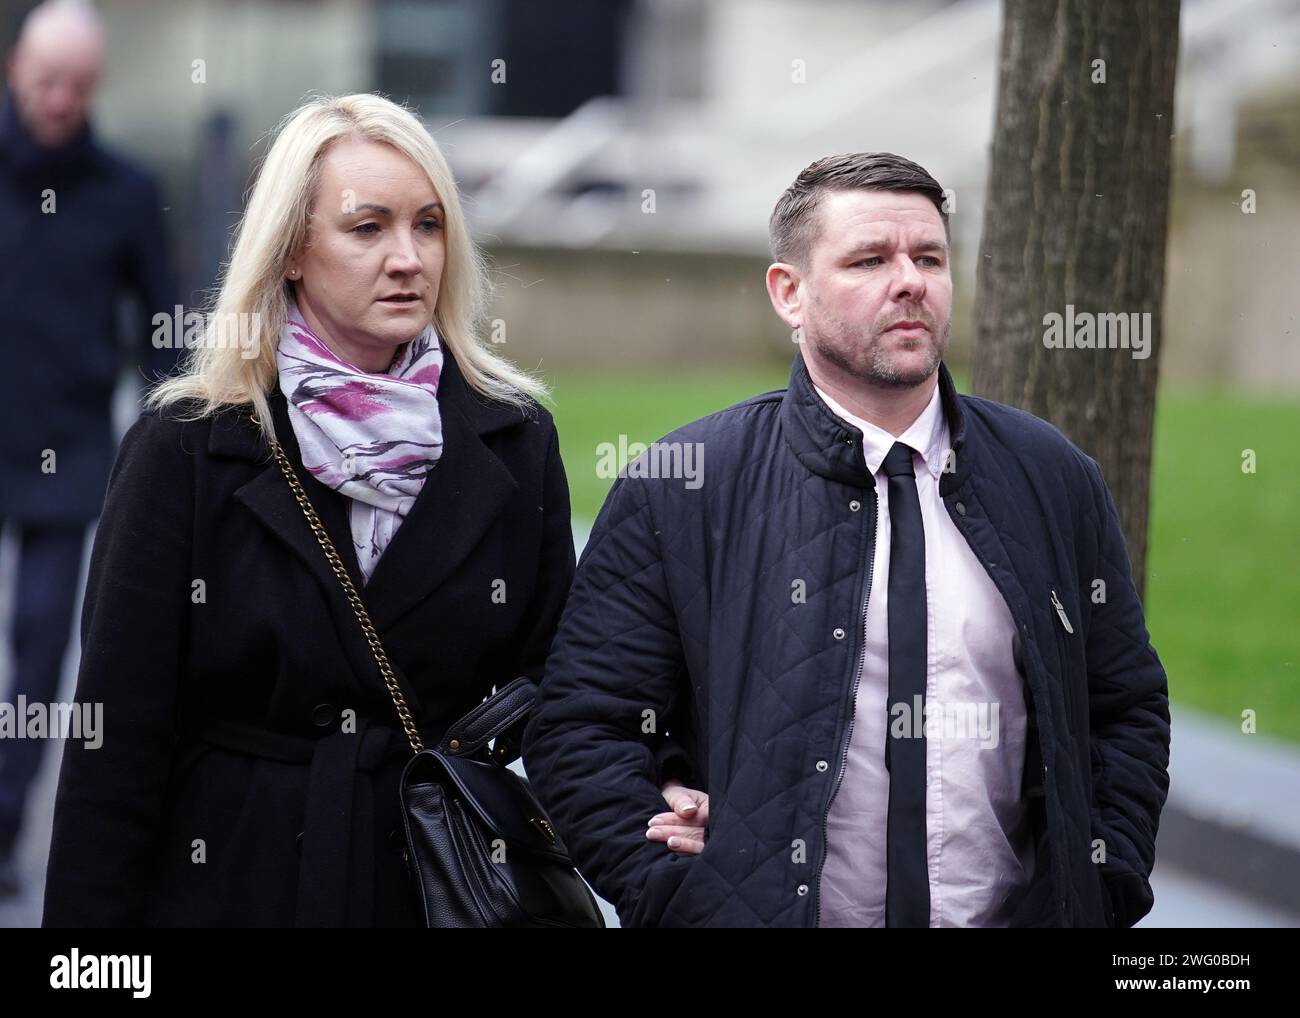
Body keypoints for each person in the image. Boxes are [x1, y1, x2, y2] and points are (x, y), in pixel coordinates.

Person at [522, 152, 1171, 928]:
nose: (910, 282)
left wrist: (1100, 885)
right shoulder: (683, 486)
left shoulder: (1051, 476)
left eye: (929, 257)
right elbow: (583, 725)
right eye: (869, 260)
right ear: (788, 293)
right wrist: (679, 896)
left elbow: (1123, 705)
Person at [42, 91, 585, 927]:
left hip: (432, 886)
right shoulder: (186, 446)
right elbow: (116, 744)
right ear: (292, 250)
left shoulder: (514, 436)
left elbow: (567, 693)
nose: (408, 258)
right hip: (229, 881)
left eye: (429, 225)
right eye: (367, 228)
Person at [0, 0, 179, 896]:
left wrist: (181, 439)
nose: (59, 99)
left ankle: (2, 824)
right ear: (13, 72)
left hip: (64, 450)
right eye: (45, 81)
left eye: (76, 85)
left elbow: (161, 329)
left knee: (40, 648)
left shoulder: (125, 189)